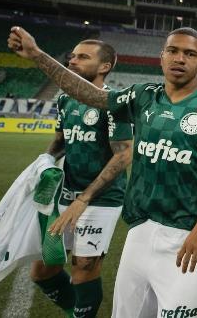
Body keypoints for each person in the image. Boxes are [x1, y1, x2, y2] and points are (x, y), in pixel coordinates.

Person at [7, 26, 197, 317]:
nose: (180, 59)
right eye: (173, 51)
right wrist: (37, 55)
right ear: (161, 57)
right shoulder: (142, 96)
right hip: (140, 230)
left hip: (187, 235)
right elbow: (90, 95)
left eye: (190, 54)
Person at [30, 39, 133, 318]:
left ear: (105, 66)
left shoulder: (115, 103)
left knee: (84, 266)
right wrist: (45, 162)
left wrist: (85, 198)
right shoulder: (65, 98)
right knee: (43, 269)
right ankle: (75, 311)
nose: (72, 61)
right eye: (72, 55)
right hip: (65, 194)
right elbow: (61, 141)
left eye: (82, 57)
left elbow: (123, 155)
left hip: (101, 198)